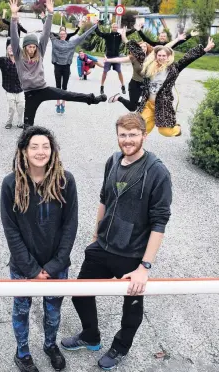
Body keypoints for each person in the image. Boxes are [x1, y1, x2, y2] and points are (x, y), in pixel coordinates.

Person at [61, 112, 172, 371]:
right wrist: (95, 237)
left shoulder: (157, 172)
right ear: (117, 137)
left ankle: (120, 347)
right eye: (123, 135)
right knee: (80, 293)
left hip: (132, 255)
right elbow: (104, 198)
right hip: (103, 246)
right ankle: (91, 336)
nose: (128, 140)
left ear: (144, 135)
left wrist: (144, 267)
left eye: (133, 134)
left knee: (132, 308)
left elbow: (160, 221)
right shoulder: (112, 160)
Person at [1, 126, 78, 372]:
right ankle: (22, 352)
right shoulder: (10, 183)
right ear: (23, 151)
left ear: (53, 151)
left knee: (53, 312)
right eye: (34, 146)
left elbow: (70, 226)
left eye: (45, 146)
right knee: (21, 311)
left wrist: (55, 264)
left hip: (57, 266)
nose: (40, 151)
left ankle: (49, 345)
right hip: (23, 266)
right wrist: (31, 268)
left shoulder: (66, 181)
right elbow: (11, 231)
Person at [9, 0, 107, 129]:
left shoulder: (40, 52)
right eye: (29, 47)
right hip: (30, 94)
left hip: (43, 89)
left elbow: (45, 35)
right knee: (28, 126)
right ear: (25, 47)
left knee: (66, 94)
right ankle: (26, 146)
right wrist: (14, 17)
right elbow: (14, 38)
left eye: (34, 47)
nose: (32, 49)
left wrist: (50, 13)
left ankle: (92, 99)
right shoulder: (18, 55)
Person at [134, 37, 215, 137]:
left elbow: (187, 58)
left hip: (163, 105)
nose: (161, 57)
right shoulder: (148, 66)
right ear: (156, 56)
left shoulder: (174, 69)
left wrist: (205, 49)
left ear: (168, 57)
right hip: (148, 104)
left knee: (165, 132)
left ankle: (177, 129)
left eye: (164, 55)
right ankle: (136, 147)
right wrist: (123, 36)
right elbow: (137, 53)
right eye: (159, 55)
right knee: (141, 129)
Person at [107, 28, 187, 111]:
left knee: (149, 104)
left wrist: (177, 39)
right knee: (132, 108)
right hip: (135, 84)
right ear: (138, 49)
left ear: (147, 48)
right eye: (141, 47)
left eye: (145, 46)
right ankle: (119, 98)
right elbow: (124, 52)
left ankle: (143, 117)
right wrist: (108, 60)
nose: (143, 48)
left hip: (147, 84)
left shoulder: (151, 57)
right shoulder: (134, 57)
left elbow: (165, 47)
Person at [50, 22, 97, 114]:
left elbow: (84, 35)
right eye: (61, 34)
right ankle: (58, 103)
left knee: (64, 86)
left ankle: (63, 103)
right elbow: (47, 29)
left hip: (66, 67)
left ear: (66, 35)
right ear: (59, 35)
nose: (62, 35)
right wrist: (44, 18)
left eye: (64, 34)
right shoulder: (55, 41)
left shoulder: (72, 43)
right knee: (58, 86)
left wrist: (95, 26)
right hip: (57, 66)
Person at [94, 21, 136, 94]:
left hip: (116, 57)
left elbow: (128, 33)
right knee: (105, 71)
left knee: (119, 71)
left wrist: (135, 28)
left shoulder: (119, 35)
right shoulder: (108, 35)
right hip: (108, 57)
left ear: (117, 28)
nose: (114, 28)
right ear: (111, 28)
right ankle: (102, 86)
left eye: (116, 27)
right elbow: (99, 33)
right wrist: (96, 25)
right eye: (113, 27)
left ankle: (123, 86)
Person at [135, 22, 199, 48]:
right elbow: (145, 39)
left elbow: (180, 41)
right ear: (159, 37)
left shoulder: (170, 44)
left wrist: (190, 35)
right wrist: (139, 30)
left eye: (164, 36)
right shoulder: (154, 44)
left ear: (166, 37)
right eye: (161, 36)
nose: (162, 37)